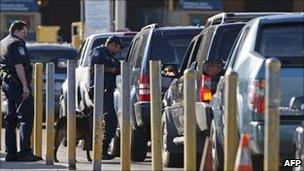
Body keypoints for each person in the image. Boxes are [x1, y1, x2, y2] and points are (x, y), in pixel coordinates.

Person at [0, 20, 42, 162]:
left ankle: (11, 153)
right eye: (24, 32)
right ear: (17, 30)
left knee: (10, 119)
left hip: (7, 84)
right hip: (18, 85)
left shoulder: (3, 42)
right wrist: (25, 86)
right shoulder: (16, 43)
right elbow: (19, 66)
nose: (25, 35)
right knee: (26, 117)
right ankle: (25, 152)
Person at [89, 35, 122, 160]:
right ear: (112, 44)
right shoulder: (99, 51)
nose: (118, 50)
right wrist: (110, 70)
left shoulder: (111, 57)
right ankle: (101, 150)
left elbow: (118, 67)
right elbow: (94, 66)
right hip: (99, 90)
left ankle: (103, 149)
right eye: (118, 47)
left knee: (111, 120)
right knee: (109, 119)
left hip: (108, 92)